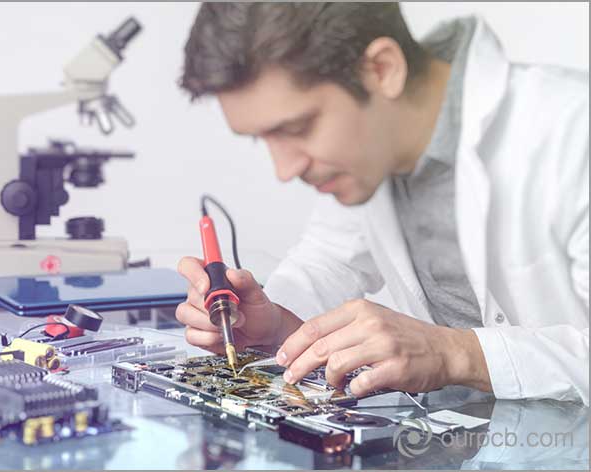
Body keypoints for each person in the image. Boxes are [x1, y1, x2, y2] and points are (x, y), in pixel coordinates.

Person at [175, 3, 589, 405]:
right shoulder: (369, 156)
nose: (284, 169)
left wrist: (454, 353)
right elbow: (328, 261)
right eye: (261, 138)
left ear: (382, 69)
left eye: (298, 127)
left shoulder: (573, 131)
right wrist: (272, 322)